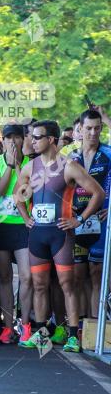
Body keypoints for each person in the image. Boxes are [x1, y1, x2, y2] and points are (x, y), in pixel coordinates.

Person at [16, 120, 105, 353]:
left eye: (37, 137)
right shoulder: (30, 167)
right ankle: (41, 335)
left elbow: (98, 192)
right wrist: (25, 217)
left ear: (51, 140)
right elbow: (18, 195)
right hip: (38, 235)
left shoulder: (69, 166)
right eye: (32, 137)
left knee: (67, 284)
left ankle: (72, 336)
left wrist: (80, 219)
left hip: (61, 235)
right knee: (39, 285)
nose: (32, 141)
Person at [0, 125, 33, 345]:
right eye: (8, 138)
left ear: (24, 139)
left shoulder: (31, 163)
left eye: (17, 137)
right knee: (4, 277)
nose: (13, 142)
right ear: (3, 140)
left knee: (27, 276)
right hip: (0, 224)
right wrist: (9, 166)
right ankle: (7, 327)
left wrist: (17, 166)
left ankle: (25, 326)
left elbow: (25, 192)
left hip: (24, 224)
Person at [69, 110, 111, 321]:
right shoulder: (69, 156)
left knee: (96, 273)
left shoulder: (109, 153)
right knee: (76, 276)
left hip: (102, 221)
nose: (92, 133)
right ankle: (79, 327)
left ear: (101, 128)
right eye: (88, 128)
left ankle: (95, 325)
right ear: (80, 129)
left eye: (97, 128)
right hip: (75, 220)